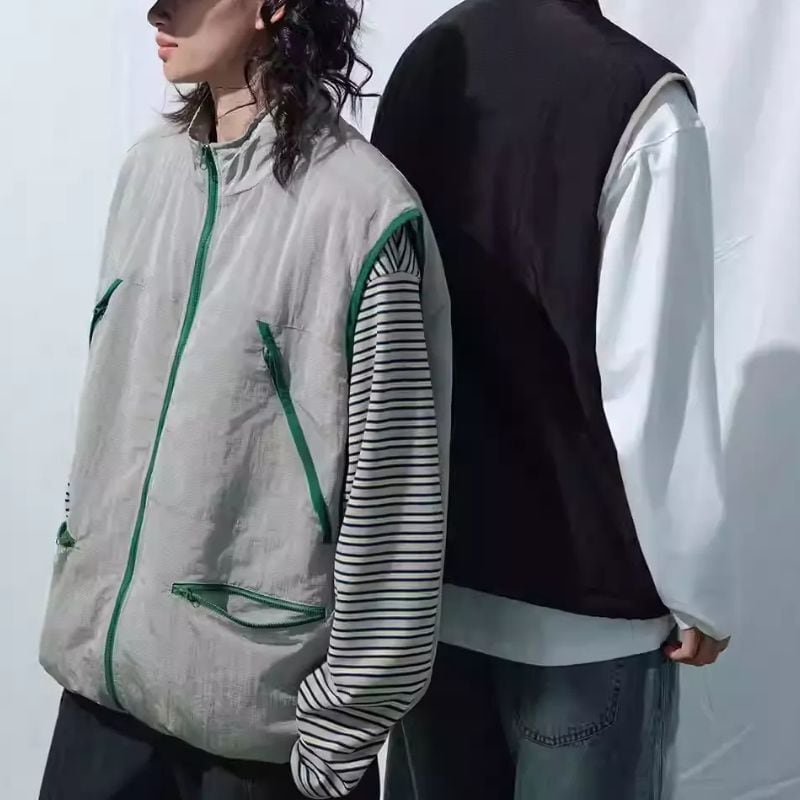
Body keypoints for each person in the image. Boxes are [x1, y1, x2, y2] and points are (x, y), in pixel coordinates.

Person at [38, 1, 451, 798]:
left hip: (258, 746)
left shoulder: (364, 214)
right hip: (101, 710)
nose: (157, 10)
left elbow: (395, 505)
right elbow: (110, 415)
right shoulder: (149, 172)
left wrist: (339, 740)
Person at [371, 0, 732, 798]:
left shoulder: (424, 66)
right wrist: (696, 588)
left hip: (428, 597)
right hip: (584, 617)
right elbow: (653, 378)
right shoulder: (641, 101)